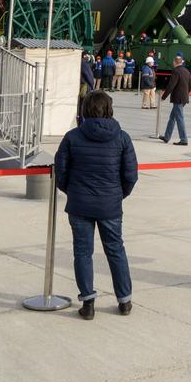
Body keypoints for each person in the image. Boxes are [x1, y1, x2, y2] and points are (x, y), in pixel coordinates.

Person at [54, 88, 138, 319]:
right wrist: (117, 195)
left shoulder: (72, 137)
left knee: (82, 253)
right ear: (109, 109)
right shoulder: (122, 138)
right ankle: (124, 300)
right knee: (115, 250)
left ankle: (88, 302)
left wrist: (71, 191)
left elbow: (60, 172)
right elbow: (130, 175)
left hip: (80, 204)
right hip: (110, 204)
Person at [159, 52, 191, 145]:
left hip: (178, 98)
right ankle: (166, 137)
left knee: (179, 119)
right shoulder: (187, 71)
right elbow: (189, 85)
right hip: (184, 98)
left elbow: (171, 85)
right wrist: (186, 95)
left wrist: (164, 97)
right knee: (172, 118)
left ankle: (184, 139)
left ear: (175, 62)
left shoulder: (176, 71)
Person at [77, 52, 96, 123]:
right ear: (85, 56)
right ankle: (83, 121)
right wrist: (92, 85)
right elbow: (89, 76)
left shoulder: (80, 61)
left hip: (80, 84)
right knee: (84, 104)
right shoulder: (84, 63)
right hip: (84, 86)